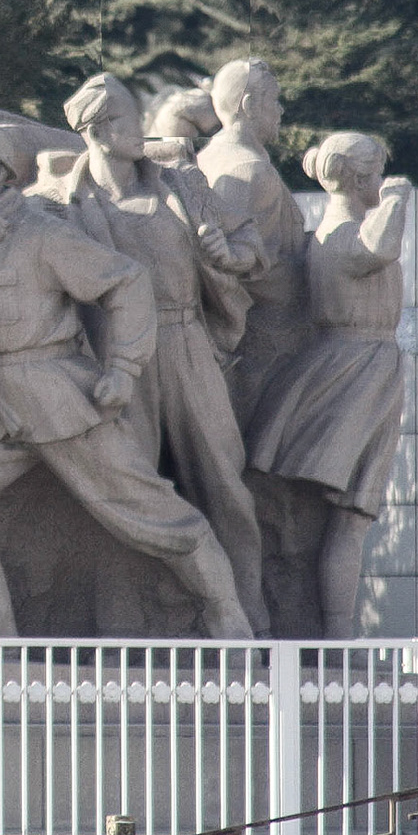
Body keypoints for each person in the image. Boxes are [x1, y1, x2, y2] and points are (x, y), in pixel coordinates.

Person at [0, 112, 254, 639]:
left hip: (57, 396)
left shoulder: (40, 233)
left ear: (0, 174)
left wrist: (123, 368)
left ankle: (225, 610)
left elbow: (126, 281)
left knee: (147, 512)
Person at [32, 74, 272, 635]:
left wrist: (229, 254)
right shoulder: (60, 203)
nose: (140, 128)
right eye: (125, 118)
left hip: (186, 341)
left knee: (223, 479)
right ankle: (124, 627)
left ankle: (253, 618)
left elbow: (250, 246)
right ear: (96, 131)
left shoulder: (180, 183)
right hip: (115, 355)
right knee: (128, 487)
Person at [249, 134, 411, 638]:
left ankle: (335, 633)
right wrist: (397, 197)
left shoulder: (336, 232)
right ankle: (337, 637)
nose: (381, 181)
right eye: (376, 173)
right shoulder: (341, 235)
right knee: (351, 516)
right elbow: (379, 247)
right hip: (354, 371)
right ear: (359, 179)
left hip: (363, 366)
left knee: (349, 518)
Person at [198, 59, 311, 425]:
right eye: (274, 100)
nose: (281, 111)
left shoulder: (212, 156)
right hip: (265, 337)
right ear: (249, 104)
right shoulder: (247, 169)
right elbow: (234, 262)